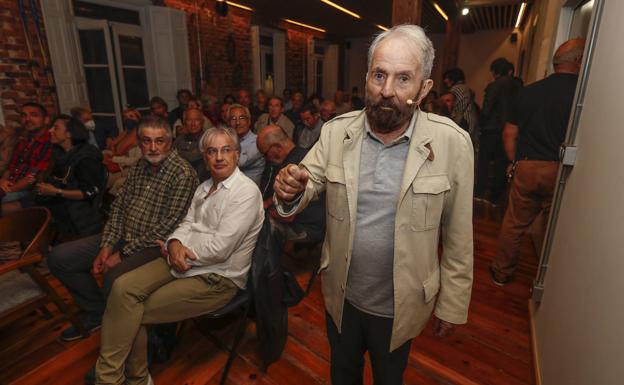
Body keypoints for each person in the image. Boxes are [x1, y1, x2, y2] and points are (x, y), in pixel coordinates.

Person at [272, 24, 474, 384]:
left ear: (424, 88)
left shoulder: (452, 144)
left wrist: (453, 304)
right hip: (342, 297)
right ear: (366, 77)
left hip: (402, 307)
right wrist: (290, 189)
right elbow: (307, 182)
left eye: (403, 79)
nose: (386, 90)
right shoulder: (337, 132)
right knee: (343, 373)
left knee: (389, 377)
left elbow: (459, 237)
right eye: (379, 75)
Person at [95, 126, 264, 385]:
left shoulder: (246, 192)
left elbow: (220, 249)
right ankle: (131, 378)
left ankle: (116, 379)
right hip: (182, 259)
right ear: (205, 158)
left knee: (129, 310)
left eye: (226, 150)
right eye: (211, 151)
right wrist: (174, 242)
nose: (219, 157)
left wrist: (178, 252)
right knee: (121, 288)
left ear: (238, 155)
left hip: (217, 278)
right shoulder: (204, 186)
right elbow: (186, 223)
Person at [48, 116, 198, 342]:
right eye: (146, 141)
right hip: (123, 236)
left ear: (170, 141)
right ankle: (98, 311)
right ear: (139, 142)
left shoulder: (183, 174)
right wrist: (107, 245)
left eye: (160, 141)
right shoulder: (140, 166)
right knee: (60, 257)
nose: (153, 147)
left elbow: (167, 227)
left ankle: (121, 339)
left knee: (115, 277)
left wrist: (122, 254)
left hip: (154, 246)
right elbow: (118, 207)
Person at [490, 38, 585, 286]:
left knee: (514, 224)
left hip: (528, 165)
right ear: (578, 61)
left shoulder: (529, 91)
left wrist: (514, 162)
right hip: (562, 169)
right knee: (554, 229)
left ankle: (501, 273)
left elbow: (509, 133)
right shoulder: (583, 95)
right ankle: (548, 283)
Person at [35, 115, 107, 238]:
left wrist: (56, 191)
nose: (50, 131)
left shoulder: (86, 158)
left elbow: (89, 193)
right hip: (62, 206)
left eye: (55, 128)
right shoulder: (60, 155)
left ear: (69, 134)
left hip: (82, 214)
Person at [257, 125, 325, 244]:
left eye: (265, 154)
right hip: (304, 223)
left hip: (308, 229)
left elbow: (287, 216)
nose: (266, 159)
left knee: (262, 225)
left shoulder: (296, 167)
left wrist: (262, 211)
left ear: (277, 147)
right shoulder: (301, 154)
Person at [475, 58, 521, 203]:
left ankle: (480, 194)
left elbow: (487, 109)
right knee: (501, 165)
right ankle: (495, 198)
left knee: (484, 163)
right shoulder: (518, 86)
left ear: (494, 72)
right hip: (510, 129)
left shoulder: (494, 86)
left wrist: (480, 124)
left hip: (491, 129)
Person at [0, 102, 52, 214]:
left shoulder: (49, 143)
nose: (27, 119)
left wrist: (6, 190)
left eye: (34, 115)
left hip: (26, 190)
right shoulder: (23, 141)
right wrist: (2, 180)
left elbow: (32, 177)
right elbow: (11, 167)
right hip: (9, 185)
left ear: (46, 120)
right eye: (23, 115)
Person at [228, 104, 264, 185]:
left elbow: (239, 163)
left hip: (249, 190)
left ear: (249, 121)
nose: (237, 122)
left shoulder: (258, 141)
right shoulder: (227, 141)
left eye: (242, 118)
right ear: (228, 123)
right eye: (233, 119)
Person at [174, 108, 210, 181]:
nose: (193, 124)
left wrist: (179, 154)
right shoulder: (179, 140)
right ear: (184, 123)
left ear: (202, 122)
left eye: (196, 120)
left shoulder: (208, 139)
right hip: (180, 180)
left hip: (201, 182)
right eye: (189, 120)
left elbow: (194, 158)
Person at [443, 67, 479, 139]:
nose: (445, 80)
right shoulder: (465, 88)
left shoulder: (456, 89)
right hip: (470, 120)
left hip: (462, 122)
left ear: (453, 78)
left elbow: (456, 110)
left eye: (447, 78)